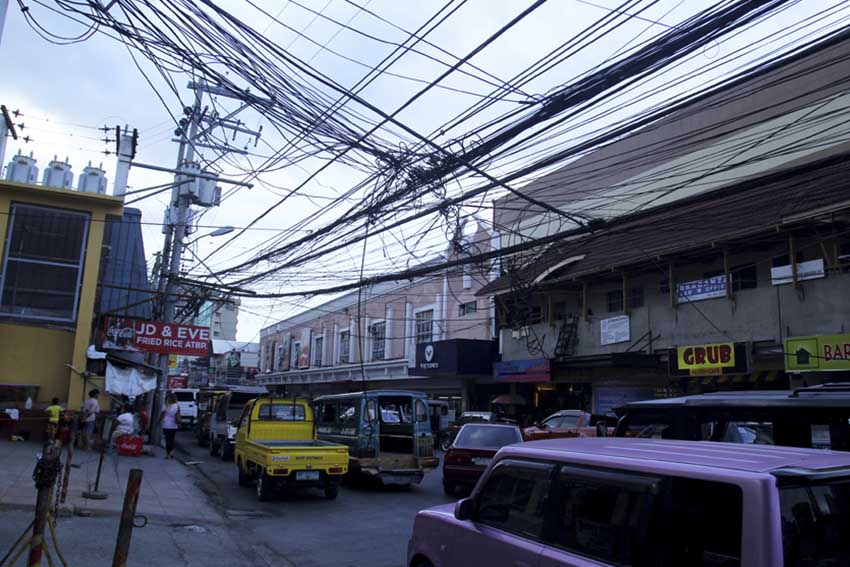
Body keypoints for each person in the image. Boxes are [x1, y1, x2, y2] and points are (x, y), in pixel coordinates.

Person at [161, 392, 181, 459]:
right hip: (174, 425)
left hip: (166, 425)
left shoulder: (165, 405)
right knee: (172, 439)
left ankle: (167, 454)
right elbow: (179, 415)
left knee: (167, 439)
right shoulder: (177, 406)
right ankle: (171, 452)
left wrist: (158, 421)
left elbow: (162, 415)